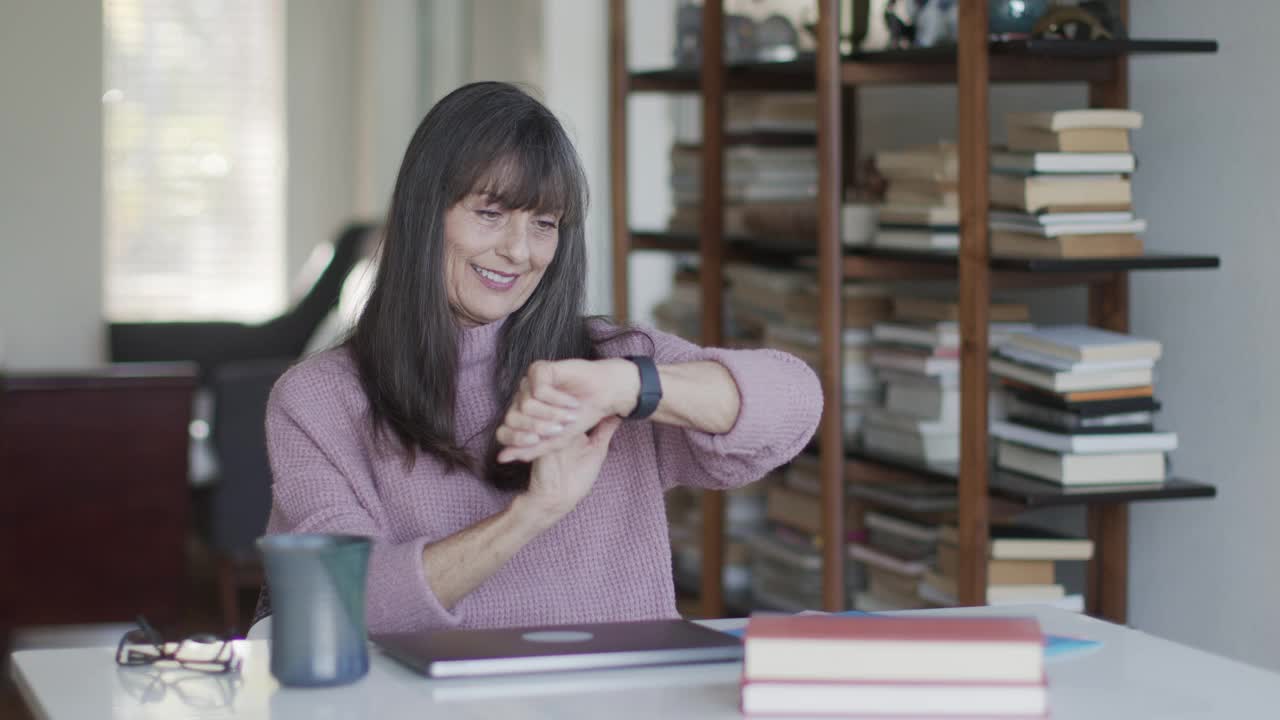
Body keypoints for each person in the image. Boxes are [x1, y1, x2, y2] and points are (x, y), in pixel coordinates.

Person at [258, 82, 822, 634]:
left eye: (544, 224)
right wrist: (532, 513)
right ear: (424, 212)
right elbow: (341, 604)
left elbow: (796, 402)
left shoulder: (604, 364)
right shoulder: (319, 399)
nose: (519, 251)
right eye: (490, 213)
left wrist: (628, 387)